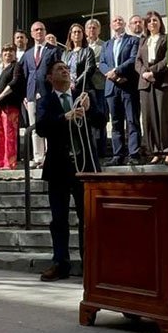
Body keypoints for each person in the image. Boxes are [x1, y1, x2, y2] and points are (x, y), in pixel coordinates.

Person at [35, 58, 104, 282]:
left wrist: (89, 109)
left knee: (88, 218)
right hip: (59, 168)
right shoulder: (45, 102)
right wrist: (65, 117)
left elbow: (102, 121)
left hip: (85, 166)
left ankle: (90, 263)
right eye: (59, 69)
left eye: (66, 68)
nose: (64, 71)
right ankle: (60, 263)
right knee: (59, 219)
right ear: (49, 77)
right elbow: (42, 127)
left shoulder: (84, 97)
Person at [135, 10, 168, 164]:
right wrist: (143, 73)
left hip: (163, 81)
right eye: (149, 21)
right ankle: (155, 151)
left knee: (165, 116)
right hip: (146, 83)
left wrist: (152, 71)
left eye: (155, 20)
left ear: (160, 22)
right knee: (149, 118)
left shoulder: (166, 39)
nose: (152, 23)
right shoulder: (143, 41)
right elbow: (138, 61)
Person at [99, 15, 141, 165]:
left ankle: (134, 154)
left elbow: (133, 59)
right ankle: (118, 155)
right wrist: (114, 76)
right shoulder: (106, 45)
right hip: (112, 88)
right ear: (111, 25)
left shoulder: (133, 40)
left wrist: (116, 71)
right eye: (115, 20)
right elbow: (102, 63)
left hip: (128, 86)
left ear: (124, 24)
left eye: (120, 20)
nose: (117, 22)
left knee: (132, 120)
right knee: (116, 123)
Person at [22, 20, 61, 169]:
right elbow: (25, 75)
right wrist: (25, 95)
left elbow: (58, 71)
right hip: (31, 95)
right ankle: (38, 158)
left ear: (45, 32)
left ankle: (50, 157)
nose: (39, 32)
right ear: (32, 34)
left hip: (48, 93)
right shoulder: (27, 54)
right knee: (34, 128)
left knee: (50, 126)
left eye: (41, 29)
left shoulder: (53, 50)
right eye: (36, 30)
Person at [0, 44, 25, 169]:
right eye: (6, 51)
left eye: (11, 51)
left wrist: (1, 96)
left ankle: (9, 163)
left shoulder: (16, 66)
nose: (8, 53)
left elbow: (15, 82)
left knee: (9, 135)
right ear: (2, 53)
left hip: (9, 105)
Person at [84, 19, 108, 158]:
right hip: (85, 87)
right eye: (89, 28)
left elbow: (106, 62)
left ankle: (101, 150)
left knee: (100, 118)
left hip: (99, 85)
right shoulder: (82, 46)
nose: (91, 30)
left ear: (98, 30)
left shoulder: (104, 45)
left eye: (94, 28)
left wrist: (96, 65)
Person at [62, 23, 96, 92]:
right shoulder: (65, 53)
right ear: (70, 35)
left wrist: (76, 83)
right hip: (67, 88)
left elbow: (90, 69)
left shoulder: (88, 51)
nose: (77, 34)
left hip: (84, 88)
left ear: (83, 34)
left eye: (79, 32)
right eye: (74, 32)